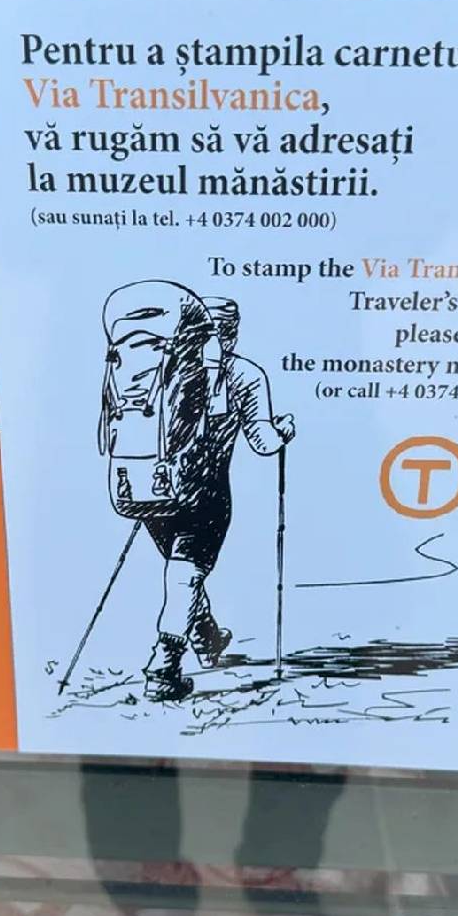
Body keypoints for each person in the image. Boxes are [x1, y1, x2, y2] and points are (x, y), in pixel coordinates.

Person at [143, 296, 295, 702]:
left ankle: (206, 635)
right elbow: (263, 442)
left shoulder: (162, 368)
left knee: (182, 573)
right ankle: (164, 667)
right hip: (204, 494)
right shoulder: (243, 374)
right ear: (233, 331)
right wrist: (284, 431)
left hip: (151, 492)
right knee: (185, 575)